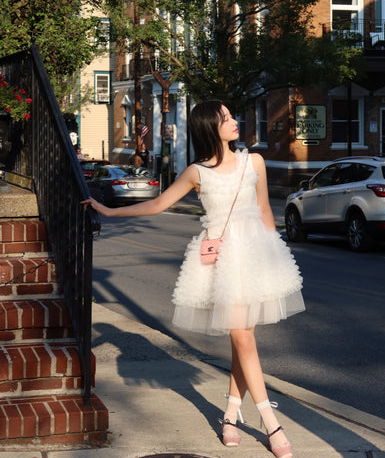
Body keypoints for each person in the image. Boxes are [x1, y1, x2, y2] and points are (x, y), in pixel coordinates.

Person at [82, 100, 304, 458]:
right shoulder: (197, 172)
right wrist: (109, 209)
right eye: (226, 118)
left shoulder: (255, 162)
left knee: (240, 342)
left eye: (232, 116)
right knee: (242, 337)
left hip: (255, 257)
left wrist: (274, 258)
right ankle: (270, 422)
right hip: (220, 261)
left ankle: (230, 416)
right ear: (208, 128)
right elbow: (157, 205)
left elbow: (264, 211)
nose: (235, 122)